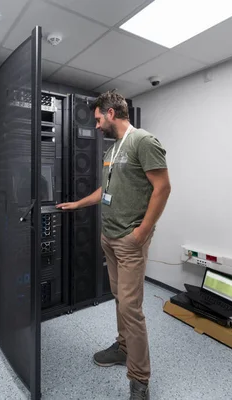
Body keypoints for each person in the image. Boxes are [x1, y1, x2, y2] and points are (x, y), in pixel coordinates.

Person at [56, 91, 171, 400]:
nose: (95, 126)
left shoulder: (143, 142)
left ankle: (139, 381)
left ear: (110, 113)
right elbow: (105, 189)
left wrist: (142, 232)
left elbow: (163, 188)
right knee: (119, 300)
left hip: (130, 241)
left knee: (131, 309)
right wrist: (79, 204)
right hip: (109, 237)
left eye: (97, 119)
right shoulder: (113, 148)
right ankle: (123, 349)